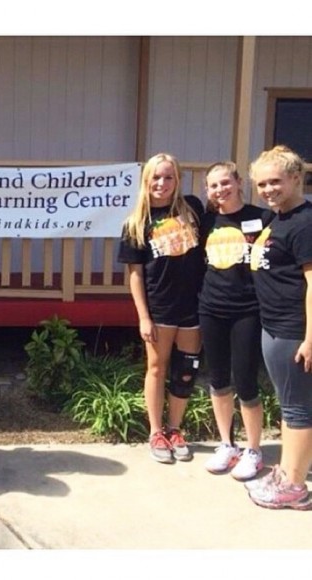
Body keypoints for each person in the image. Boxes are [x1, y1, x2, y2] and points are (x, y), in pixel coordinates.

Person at [118, 153, 205, 463]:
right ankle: (156, 431)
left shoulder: (192, 208)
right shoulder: (136, 223)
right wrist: (144, 316)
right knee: (157, 368)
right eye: (156, 177)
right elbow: (135, 275)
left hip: (194, 306)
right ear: (146, 181)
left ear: (177, 180)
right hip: (160, 307)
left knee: (185, 371)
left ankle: (174, 428)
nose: (162, 183)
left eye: (168, 177)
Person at [247, 145, 312, 509]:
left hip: (293, 331)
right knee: (289, 406)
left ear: (295, 178)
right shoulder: (279, 217)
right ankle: (287, 472)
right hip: (274, 326)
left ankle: (296, 488)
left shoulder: (304, 222)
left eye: (275, 181)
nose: (268, 189)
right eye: (261, 183)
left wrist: (311, 338)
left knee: (299, 408)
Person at [199, 162, 273, 480]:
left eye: (225, 183)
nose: (220, 190)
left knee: (245, 381)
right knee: (217, 379)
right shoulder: (206, 221)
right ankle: (227, 444)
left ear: (239, 182)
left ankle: (253, 450)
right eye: (214, 186)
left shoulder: (263, 217)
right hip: (211, 307)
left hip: (248, 310)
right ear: (208, 191)